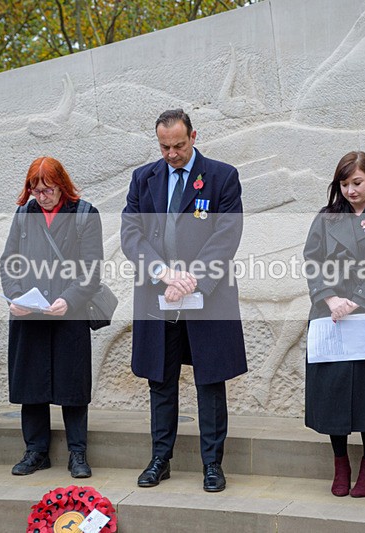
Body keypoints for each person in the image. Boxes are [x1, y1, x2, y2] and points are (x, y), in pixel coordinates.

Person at [121, 109, 247, 493]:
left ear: (194, 136)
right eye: (164, 146)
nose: (172, 153)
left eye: (178, 145)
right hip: (158, 295)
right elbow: (131, 232)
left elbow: (226, 234)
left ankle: (213, 464)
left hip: (206, 297)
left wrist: (191, 279)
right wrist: (163, 273)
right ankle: (161, 458)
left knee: (210, 381)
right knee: (160, 378)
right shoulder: (144, 178)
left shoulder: (222, 177)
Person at [303, 151, 365, 498]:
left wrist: (356, 301)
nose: (350, 190)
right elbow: (312, 260)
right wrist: (331, 298)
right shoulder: (327, 217)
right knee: (332, 390)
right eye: (344, 184)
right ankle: (340, 462)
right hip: (330, 312)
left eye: (357, 182)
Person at [0, 156, 103, 478]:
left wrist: (69, 299)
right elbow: (8, 263)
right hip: (29, 314)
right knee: (31, 383)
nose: (41, 196)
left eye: (48, 189)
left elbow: (91, 271)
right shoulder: (22, 215)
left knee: (73, 384)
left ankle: (77, 453)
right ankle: (35, 451)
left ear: (62, 185)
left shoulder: (85, 214)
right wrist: (15, 297)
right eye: (35, 189)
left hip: (68, 314)